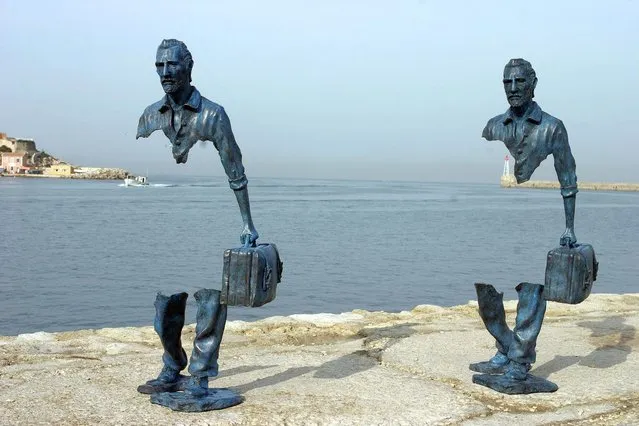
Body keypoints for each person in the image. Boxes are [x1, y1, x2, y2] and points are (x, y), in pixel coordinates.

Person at [135, 39, 258, 396]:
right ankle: (171, 367)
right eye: (159, 66)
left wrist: (247, 222)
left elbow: (235, 169)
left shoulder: (213, 115)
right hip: (162, 226)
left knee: (211, 299)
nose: (165, 73)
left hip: (207, 221)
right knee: (166, 306)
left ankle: (201, 375)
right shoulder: (149, 115)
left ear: (189, 67)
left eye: (171, 65)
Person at [482, 58, 578, 247]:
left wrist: (569, 229)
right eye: (507, 82)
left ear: (533, 84)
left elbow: (568, 179)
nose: (513, 88)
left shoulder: (553, 128)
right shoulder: (493, 126)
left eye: (520, 81)